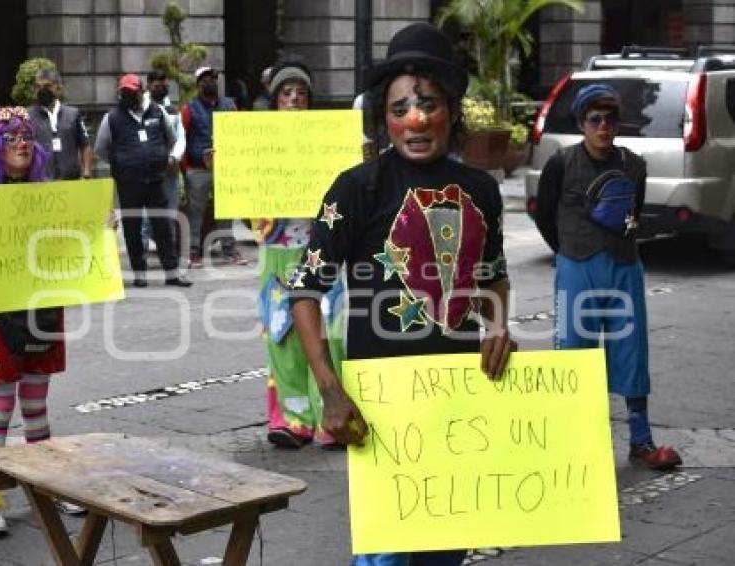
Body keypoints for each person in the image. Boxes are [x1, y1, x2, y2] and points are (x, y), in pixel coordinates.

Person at [288, 23, 515, 565]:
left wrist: (499, 327)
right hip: (381, 413)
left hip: (462, 409)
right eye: (400, 108)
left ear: (453, 110)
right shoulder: (356, 188)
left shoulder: (482, 190)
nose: (415, 120)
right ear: (384, 118)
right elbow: (304, 293)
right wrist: (331, 391)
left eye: (429, 104)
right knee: (385, 556)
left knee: (446, 551)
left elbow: (494, 276)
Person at [534, 83, 682, 471]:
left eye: (610, 118)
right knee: (573, 352)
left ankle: (641, 440)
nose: (603, 126)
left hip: (623, 266)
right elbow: (545, 215)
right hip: (576, 266)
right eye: (595, 119)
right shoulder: (561, 163)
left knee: (632, 351)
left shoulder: (633, 165)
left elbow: (633, 214)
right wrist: (566, 249)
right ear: (582, 123)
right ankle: (575, 439)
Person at [0, 106, 84, 537]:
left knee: (35, 405)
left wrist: (98, 228)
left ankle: (46, 485)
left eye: (26, 135)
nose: (22, 143)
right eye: (10, 137)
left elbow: (71, 249)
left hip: (41, 307)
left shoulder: (47, 194)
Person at [256, 62, 345, 448]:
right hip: (277, 252)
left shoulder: (329, 141)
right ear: (275, 101)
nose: (294, 100)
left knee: (329, 335)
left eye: (301, 94)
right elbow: (247, 209)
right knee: (282, 333)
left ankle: (332, 414)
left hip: (320, 250)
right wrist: (224, 169)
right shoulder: (255, 145)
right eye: (286, 94)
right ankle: (292, 417)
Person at [94, 73, 191, 287]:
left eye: (132, 92)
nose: (128, 96)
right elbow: (100, 149)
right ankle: (139, 273)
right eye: (124, 92)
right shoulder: (112, 118)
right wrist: (121, 161)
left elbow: (172, 138)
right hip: (129, 183)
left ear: (140, 91)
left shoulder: (158, 112)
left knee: (163, 226)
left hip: (157, 180)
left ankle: (172, 273)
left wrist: (170, 158)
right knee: (132, 228)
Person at [180, 66, 248, 267]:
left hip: (225, 169)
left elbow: (239, 134)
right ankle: (194, 251)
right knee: (196, 212)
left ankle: (229, 249)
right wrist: (187, 169)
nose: (211, 81)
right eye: (206, 79)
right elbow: (180, 140)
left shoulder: (229, 105)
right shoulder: (188, 108)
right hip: (198, 169)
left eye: (214, 78)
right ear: (198, 84)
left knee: (226, 211)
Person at [140, 69, 187, 272]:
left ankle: (169, 257)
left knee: (169, 215)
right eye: (156, 81)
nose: (160, 84)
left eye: (163, 81)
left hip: (169, 172)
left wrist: (174, 158)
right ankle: (140, 258)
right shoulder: (139, 107)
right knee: (143, 217)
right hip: (145, 172)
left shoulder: (173, 110)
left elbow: (180, 137)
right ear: (148, 84)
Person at [27, 68, 93, 180]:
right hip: (39, 182)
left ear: (57, 88)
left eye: (47, 86)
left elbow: (85, 144)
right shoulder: (27, 115)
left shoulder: (73, 114)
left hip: (71, 180)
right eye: (38, 87)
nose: (42, 90)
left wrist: (86, 171)